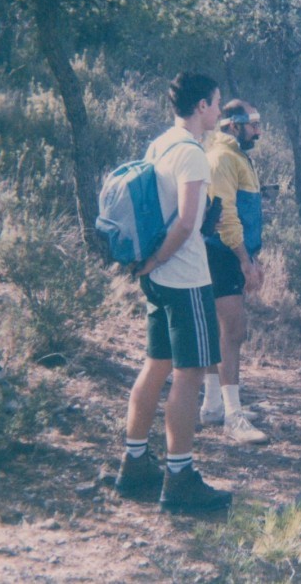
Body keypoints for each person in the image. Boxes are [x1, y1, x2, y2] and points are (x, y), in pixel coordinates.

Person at [114, 72, 233, 513]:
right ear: (201, 106)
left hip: (158, 280)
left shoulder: (159, 144)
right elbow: (184, 222)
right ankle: (179, 478)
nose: (219, 111)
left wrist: (149, 264)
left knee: (155, 366)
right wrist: (161, 259)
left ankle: (135, 462)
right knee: (189, 375)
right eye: (216, 103)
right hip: (184, 279)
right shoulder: (192, 154)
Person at [199, 99, 269, 445]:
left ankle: (214, 405)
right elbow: (225, 212)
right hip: (222, 254)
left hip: (227, 253)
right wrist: (244, 259)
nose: (257, 130)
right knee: (233, 331)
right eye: (252, 123)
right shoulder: (223, 157)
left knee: (222, 332)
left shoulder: (236, 156)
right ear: (232, 125)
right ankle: (233, 416)